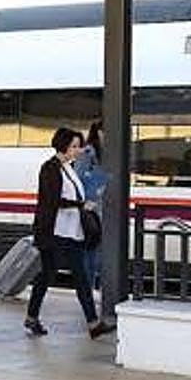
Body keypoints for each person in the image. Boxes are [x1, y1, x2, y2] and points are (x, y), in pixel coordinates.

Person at [26, 128, 115, 339]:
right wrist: (81, 205)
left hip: (71, 232)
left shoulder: (69, 168)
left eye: (79, 146)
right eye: (74, 146)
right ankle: (32, 317)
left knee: (80, 277)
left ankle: (93, 324)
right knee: (47, 276)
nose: (78, 150)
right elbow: (51, 200)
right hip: (54, 233)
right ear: (63, 145)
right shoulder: (50, 168)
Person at [73, 121, 106, 289]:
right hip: (91, 211)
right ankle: (87, 288)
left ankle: (94, 287)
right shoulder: (87, 153)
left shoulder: (108, 153)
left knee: (99, 253)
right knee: (91, 252)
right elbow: (77, 180)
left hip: (104, 210)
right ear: (99, 132)